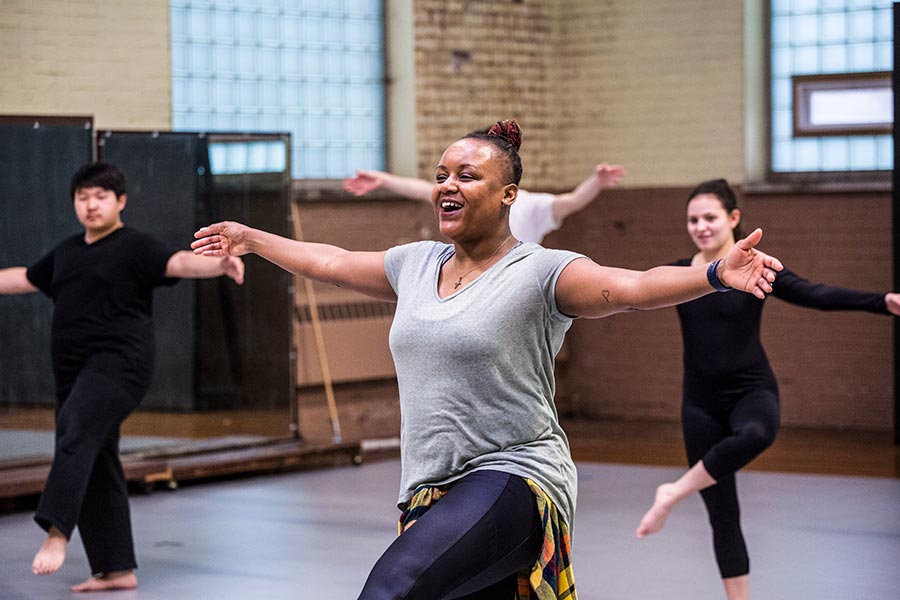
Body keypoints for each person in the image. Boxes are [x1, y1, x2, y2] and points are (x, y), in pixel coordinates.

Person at [193, 121, 782, 599]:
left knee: (392, 588)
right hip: (432, 487)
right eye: (441, 174)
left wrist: (712, 275)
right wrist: (252, 238)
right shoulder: (415, 265)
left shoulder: (541, 272)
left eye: (468, 176)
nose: (447, 184)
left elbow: (626, 287)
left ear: (507, 196)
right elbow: (330, 261)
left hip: (516, 474)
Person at [635, 178, 900, 600]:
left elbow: (814, 293)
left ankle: (674, 490)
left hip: (749, 389)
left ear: (733, 218)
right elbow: (638, 292)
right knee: (723, 516)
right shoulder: (683, 273)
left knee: (759, 432)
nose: (700, 226)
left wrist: (879, 301)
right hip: (699, 404)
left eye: (710, 217)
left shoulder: (754, 266)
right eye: (692, 220)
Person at [0, 162, 245, 593]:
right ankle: (116, 569)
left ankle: (57, 530)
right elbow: (23, 278)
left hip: (120, 365)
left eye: (100, 197)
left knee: (75, 430)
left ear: (120, 202)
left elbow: (180, 263)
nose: (91, 205)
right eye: (83, 197)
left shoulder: (135, 246)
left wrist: (219, 266)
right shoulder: (66, 252)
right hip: (72, 371)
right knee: (96, 457)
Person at [343, 162, 625, 244]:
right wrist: (382, 179)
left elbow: (572, 201)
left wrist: (597, 181)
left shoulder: (529, 205)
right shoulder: (465, 196)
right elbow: (423, 189)